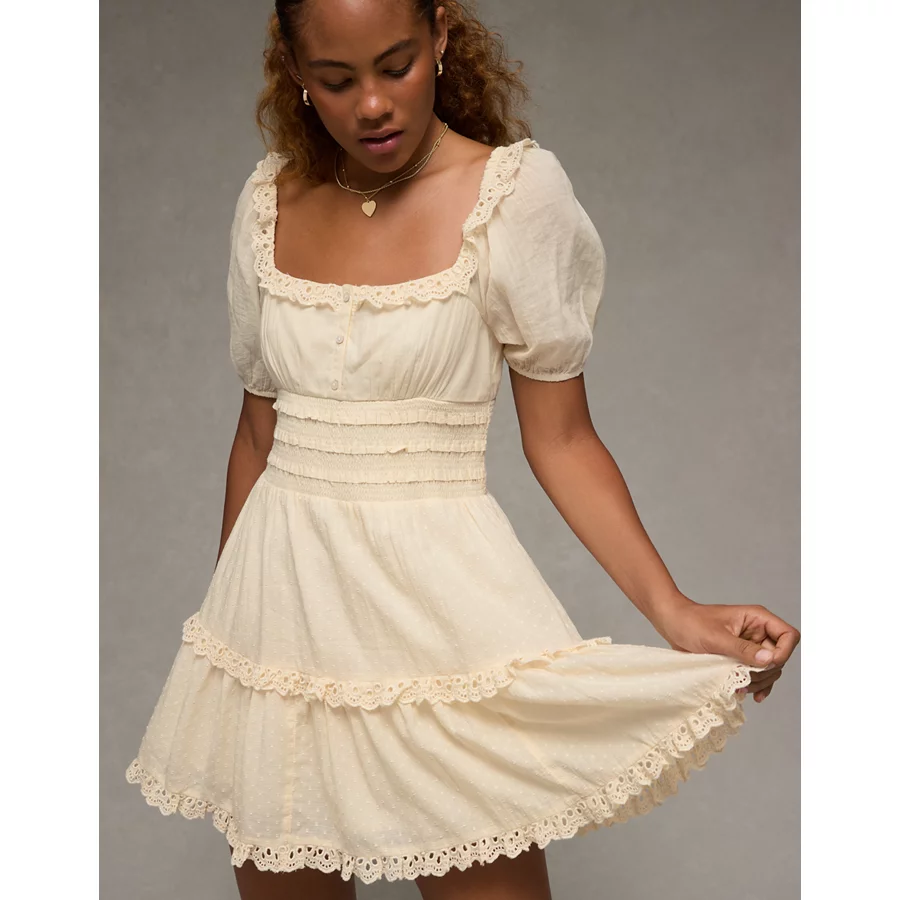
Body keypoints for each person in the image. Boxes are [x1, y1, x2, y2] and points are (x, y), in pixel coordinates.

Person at [124, 1, 800, 898]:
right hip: (279, 618)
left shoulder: (513, 197)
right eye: (337, 79)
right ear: (295, 71)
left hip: (438, 615)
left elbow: (562, 439)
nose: (372, 104)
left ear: (441, 38)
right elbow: (258, 433)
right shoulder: (267, 203)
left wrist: (673, 611)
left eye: (396, 64)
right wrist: (233, 651)